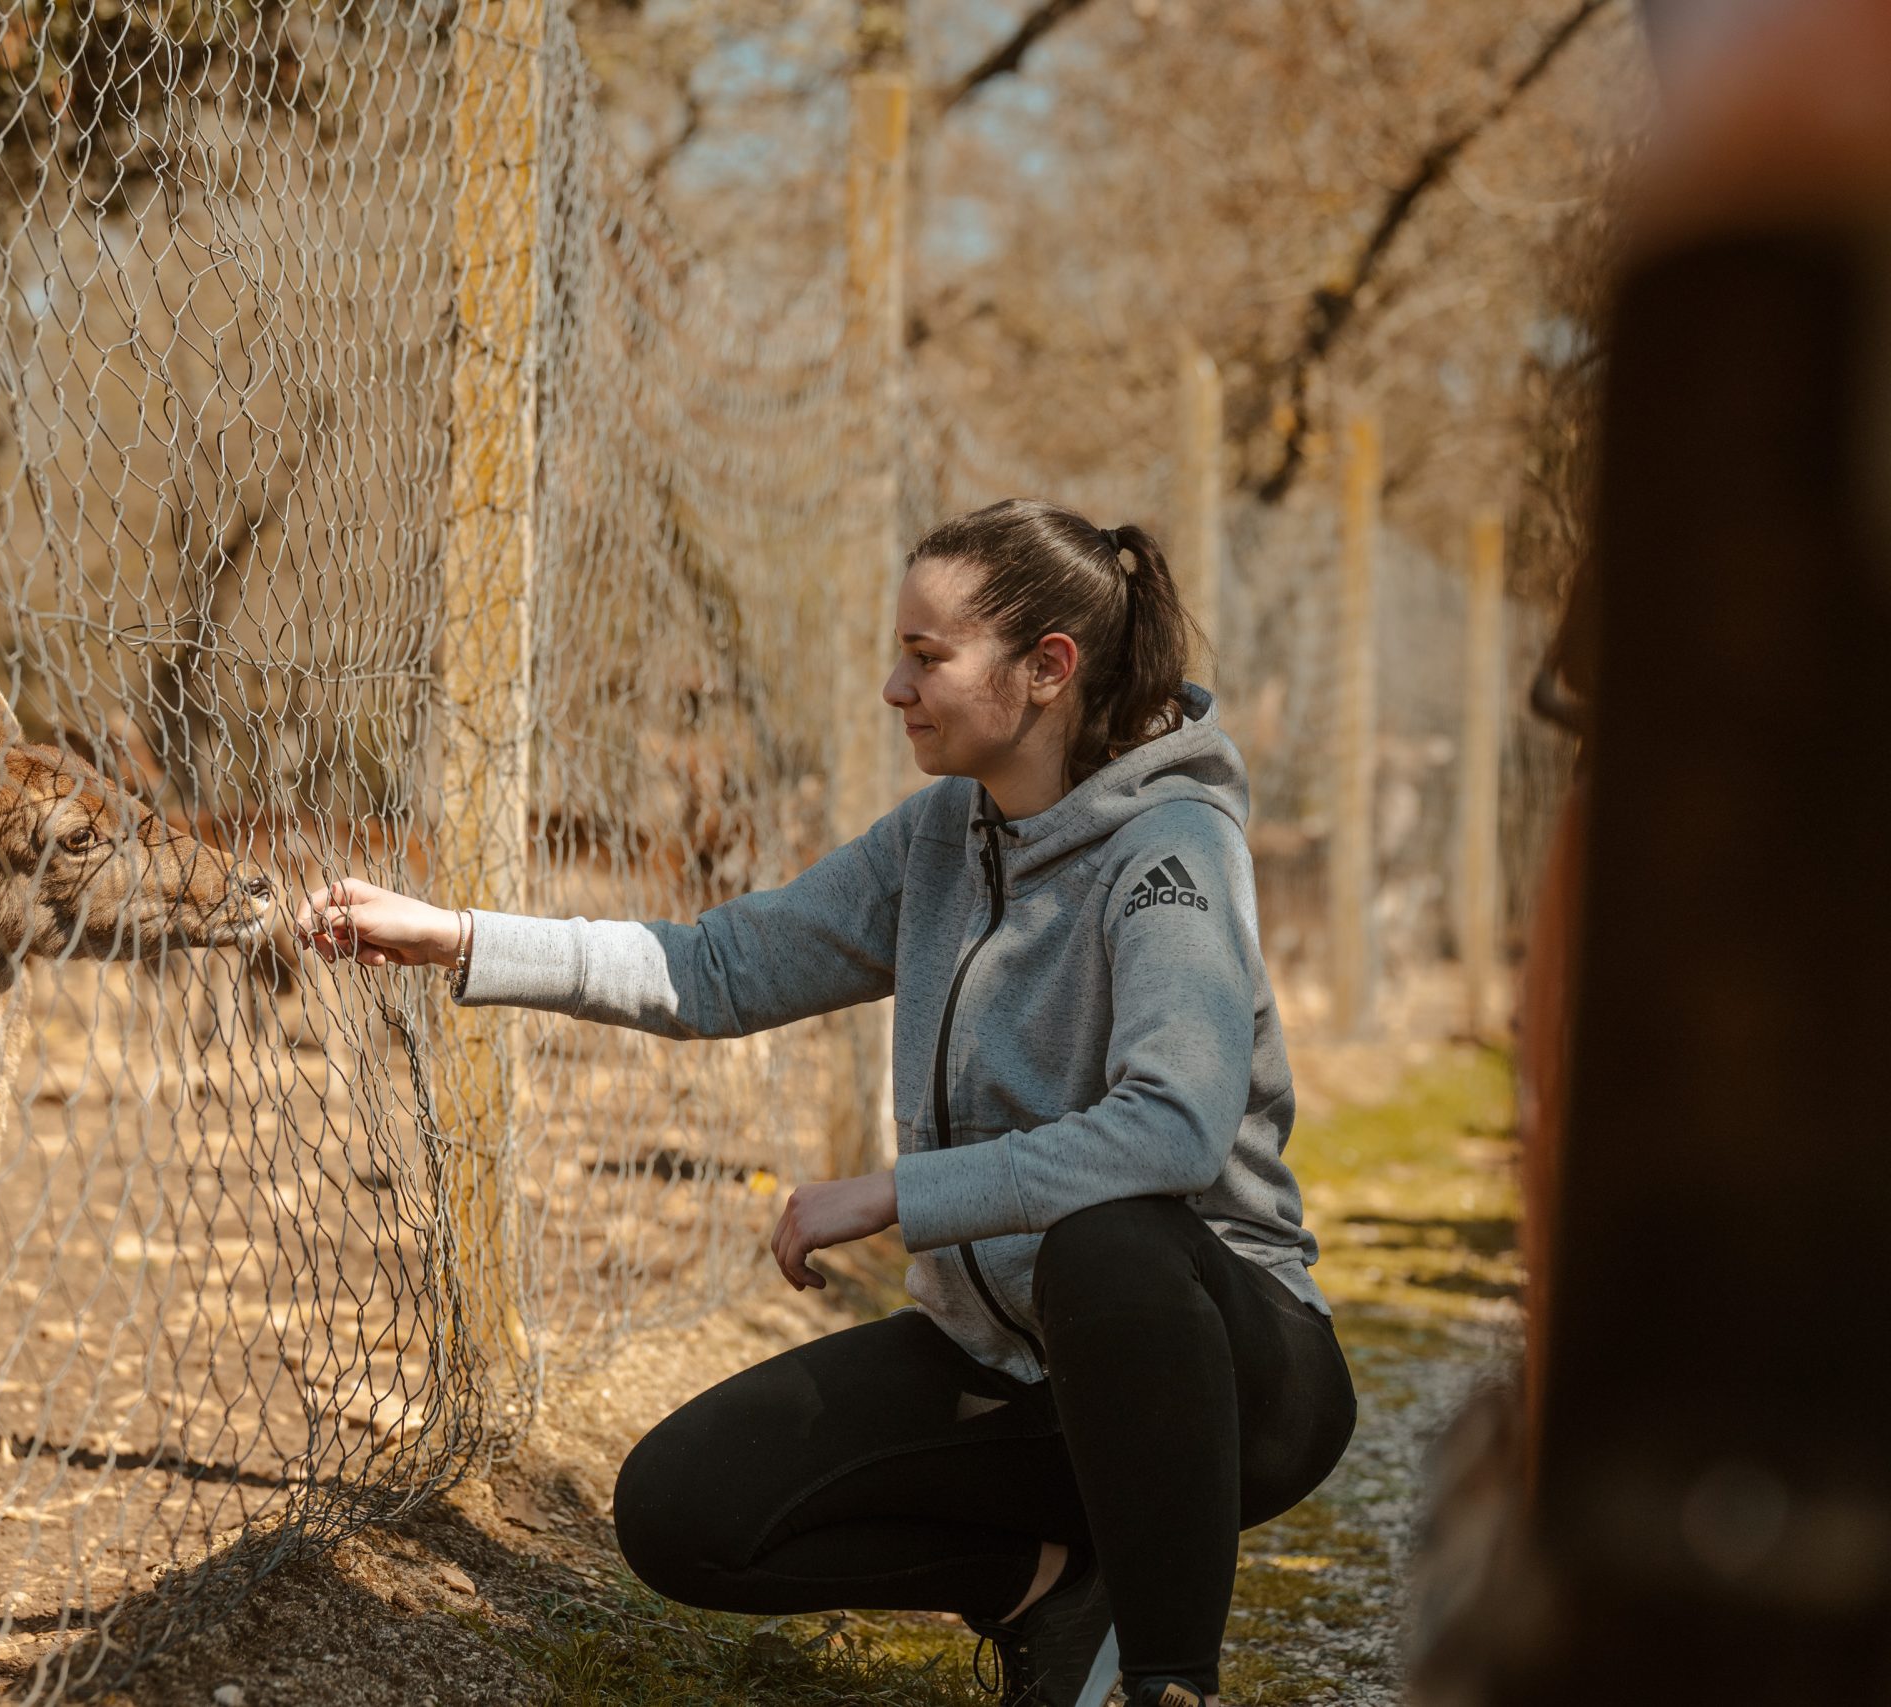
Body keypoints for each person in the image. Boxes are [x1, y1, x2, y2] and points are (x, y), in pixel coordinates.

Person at [295, 500, 1355, 1707]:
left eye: (925, 656)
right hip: (1009, 1364)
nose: (894, 689)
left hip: (1223, 1375)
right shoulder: (941, 837)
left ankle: (1168, 1683)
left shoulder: (1172, 856)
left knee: (1110, 1239)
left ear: (1046, 671)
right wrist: (459, 940)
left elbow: (1171, 1126)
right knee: (685, 1511)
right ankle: (1051, 1589)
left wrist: (900, 1194)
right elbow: (717, 967)